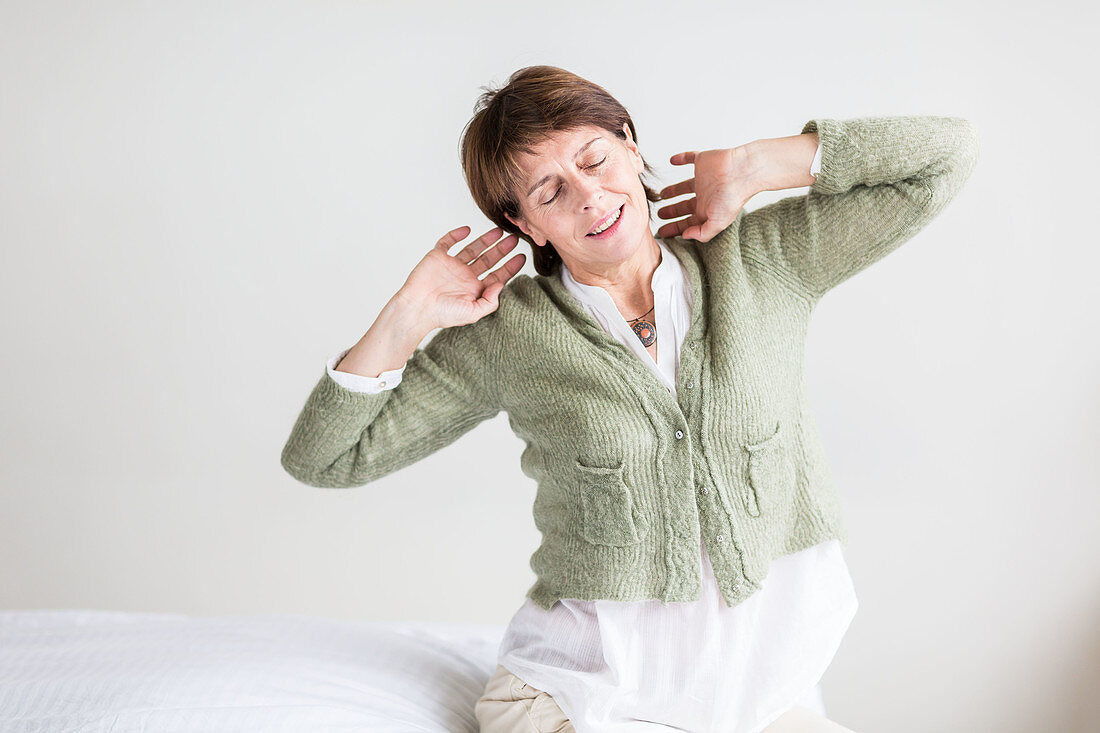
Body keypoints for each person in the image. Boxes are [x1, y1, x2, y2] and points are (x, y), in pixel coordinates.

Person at [281, 65, 979, 733]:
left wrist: (759, 165)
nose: (588, 196)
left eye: (594, 158)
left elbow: (946, 157)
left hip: (745, 700)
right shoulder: (511, 331)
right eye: (549, 192)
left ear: (629, 142)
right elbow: (324, 458)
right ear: (525, 223)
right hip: (576, 701)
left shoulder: (762, 260)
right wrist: (406, 318)